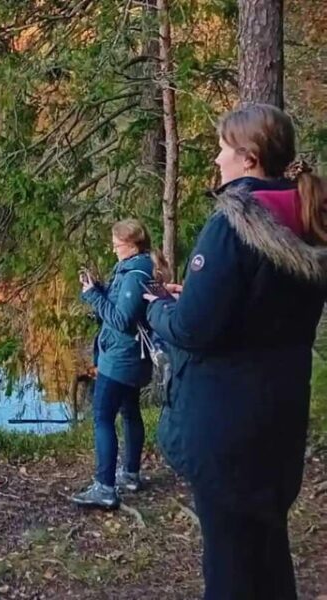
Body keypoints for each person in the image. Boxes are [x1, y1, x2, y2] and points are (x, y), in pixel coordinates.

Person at [145, 103, 327, 600]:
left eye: (224, 147)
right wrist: (199, 294)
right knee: (267, 553)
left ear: (249, 158)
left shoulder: (232, 225)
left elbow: (192, 329)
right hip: (280, 419)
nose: (218, 158)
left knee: (228, 566)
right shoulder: (309, 218)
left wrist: (158, 310)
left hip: (226, 429)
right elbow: (259, 307)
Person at [72, 219, 164, 509]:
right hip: (130, 357)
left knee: (102, 417)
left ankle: (105, 487)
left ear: (133, 244)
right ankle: (131, 474)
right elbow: (123, 309)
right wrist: (99, 289)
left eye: (117, 244)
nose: (113, 249)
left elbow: (122, 321)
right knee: (129, 412)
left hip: (121, 359)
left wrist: (92, 296)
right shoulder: (137, 268)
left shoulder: (135, 275)